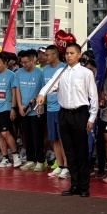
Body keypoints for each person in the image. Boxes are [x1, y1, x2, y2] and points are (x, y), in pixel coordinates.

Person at [37, 42, 98, 198]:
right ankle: (74, 185)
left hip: (80, 114)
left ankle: (84, 186)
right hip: (63, 113)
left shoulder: (86, 73)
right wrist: (42, 94)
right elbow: (50, 85)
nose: (69, 56)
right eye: (67, 53)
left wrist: (92, 117)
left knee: (81, 151)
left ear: (79, 55)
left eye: (72, 53)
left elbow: (93, 97)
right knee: (69, 151)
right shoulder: (61, 72)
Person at [41, 45, 68, 179]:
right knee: (54, 139)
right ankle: (60, 165)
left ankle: (67, 167)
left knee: (63, 139)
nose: (45, 57)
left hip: (62, 109)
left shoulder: (64, 68)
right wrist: (41, 103)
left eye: (48, 55)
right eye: (45, 55)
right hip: (50, 108)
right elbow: (44, 88)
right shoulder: (45, 70)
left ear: (56, 55)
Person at [0, 53, 21, 169]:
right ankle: (5, 158)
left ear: (5, 63)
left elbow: (14, 93)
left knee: (5, 133)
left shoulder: (11, 75)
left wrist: (13, 108)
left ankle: (15, 155)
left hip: (6, 108)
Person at [15, 50, 44, 171]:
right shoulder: (19, 73)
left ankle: (40, 161)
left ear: (33, 60)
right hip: (23, 110)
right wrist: (20, 105)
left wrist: (35, 101)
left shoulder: (40, 73)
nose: (24, 64)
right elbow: (17, 90)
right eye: (22, 62)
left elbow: (43, 90)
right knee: (27, 136)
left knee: (38, 136)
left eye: (26, 62)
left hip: (36, 110)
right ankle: (30, 160)